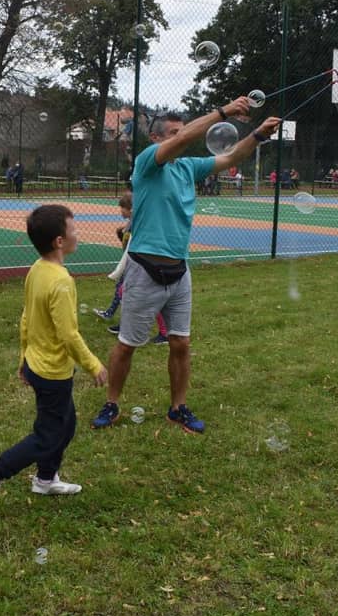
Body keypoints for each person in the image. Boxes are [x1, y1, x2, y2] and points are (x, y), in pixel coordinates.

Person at [90, 103, 281, 433]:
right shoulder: (147, 163)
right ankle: (112, 403)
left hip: (180, 270)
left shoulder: (188, 167)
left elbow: (230, 157)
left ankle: (178, 408)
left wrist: (257, 135)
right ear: (156, 138)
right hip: (144, 269)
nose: (182, 137)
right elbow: (185, 140)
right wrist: (223, 112)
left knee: (180, 343)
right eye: (174, 133)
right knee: (127, 344)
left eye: (182, 131)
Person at [0, 205, 107, 518]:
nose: (78, 233)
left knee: (65, 425)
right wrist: (93, 364)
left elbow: (26, 318)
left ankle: (45, 479)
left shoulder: (37, 269)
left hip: (37, 364)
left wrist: (23, 358)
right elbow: (69, 335)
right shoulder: (61, 281)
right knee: (47, 435)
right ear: (59, 241)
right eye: (73, 229)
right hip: (52, 372)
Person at [93, 191, 169, 345]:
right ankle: (126, 325)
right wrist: (121, 233)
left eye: (122, 208)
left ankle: (163, 333)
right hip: (134, 264)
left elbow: (135, 246)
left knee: (148, 297)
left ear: (131, 209)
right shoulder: (131, 224)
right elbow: (128, 245)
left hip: (143, 265)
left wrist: (119, 271)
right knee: (124, 292)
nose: (120, 211)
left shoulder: (139, 224)